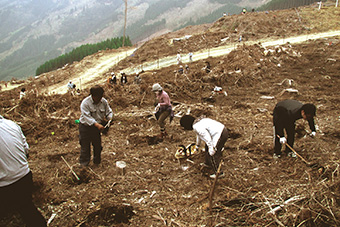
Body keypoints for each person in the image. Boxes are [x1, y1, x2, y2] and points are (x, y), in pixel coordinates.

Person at [0, 115, 47, 227]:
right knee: (27, 207)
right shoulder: (12, 124)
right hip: (25, 176)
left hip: (5, 185)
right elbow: (26, 151)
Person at [78, 85, 113, 166]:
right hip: (85, 127)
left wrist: (110, 119)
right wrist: (97, 125)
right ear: (93, 96)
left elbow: (109, 112)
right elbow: (87, 117)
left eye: (101, 96)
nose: (100, 99)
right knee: (85, 147)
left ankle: (97, 162)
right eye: (98, 97)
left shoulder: (103, 101)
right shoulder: (85, 103)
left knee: (97, 146)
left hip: (96, 128)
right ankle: (84, 165)